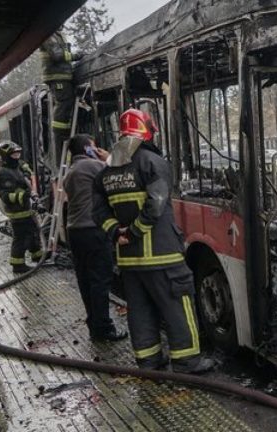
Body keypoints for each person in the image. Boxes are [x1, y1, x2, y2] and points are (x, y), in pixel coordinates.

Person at [92, 108, 214, 373]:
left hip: (129, 261)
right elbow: (156, 203)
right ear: (146, 132)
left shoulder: (106, 173)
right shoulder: (152, 162)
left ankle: (148, 361)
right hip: (162, 256)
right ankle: (187, 361)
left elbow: (98, 212)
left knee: (140, 310)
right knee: (178, 307)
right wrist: (134, 232)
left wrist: (117, 233)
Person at [64, 134, 128, 342]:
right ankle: (103, 329)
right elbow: (119, 174)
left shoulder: (71, 171)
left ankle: (94, 325)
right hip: (93, 230)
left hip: (75, 232)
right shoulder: (92, 165)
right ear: (87, 149)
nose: (96, 148)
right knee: (100, 280)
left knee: (85, 280)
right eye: (93, 146)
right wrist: (108, 157)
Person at [0, 141, 44, 273]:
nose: (17, 156)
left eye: (18, 154)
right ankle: (18, 265)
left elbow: (25, 173)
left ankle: (38, 256)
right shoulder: (3, 174)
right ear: (6, 156)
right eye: (14, 154)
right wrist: (24, 195)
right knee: (21, 239)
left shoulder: (16, 168)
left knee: (33, 233)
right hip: (17, 213)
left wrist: (27, 176)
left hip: (26, 209)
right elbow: (6, 196)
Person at [40, 31, 82, 150]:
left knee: (67, 105)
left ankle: (64, 135)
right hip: (57, 76)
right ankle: (61, 138)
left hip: (62, 76)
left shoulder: (57, 35)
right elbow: (57, 55)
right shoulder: (49, 34)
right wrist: (77, 56)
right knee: (63, 105)